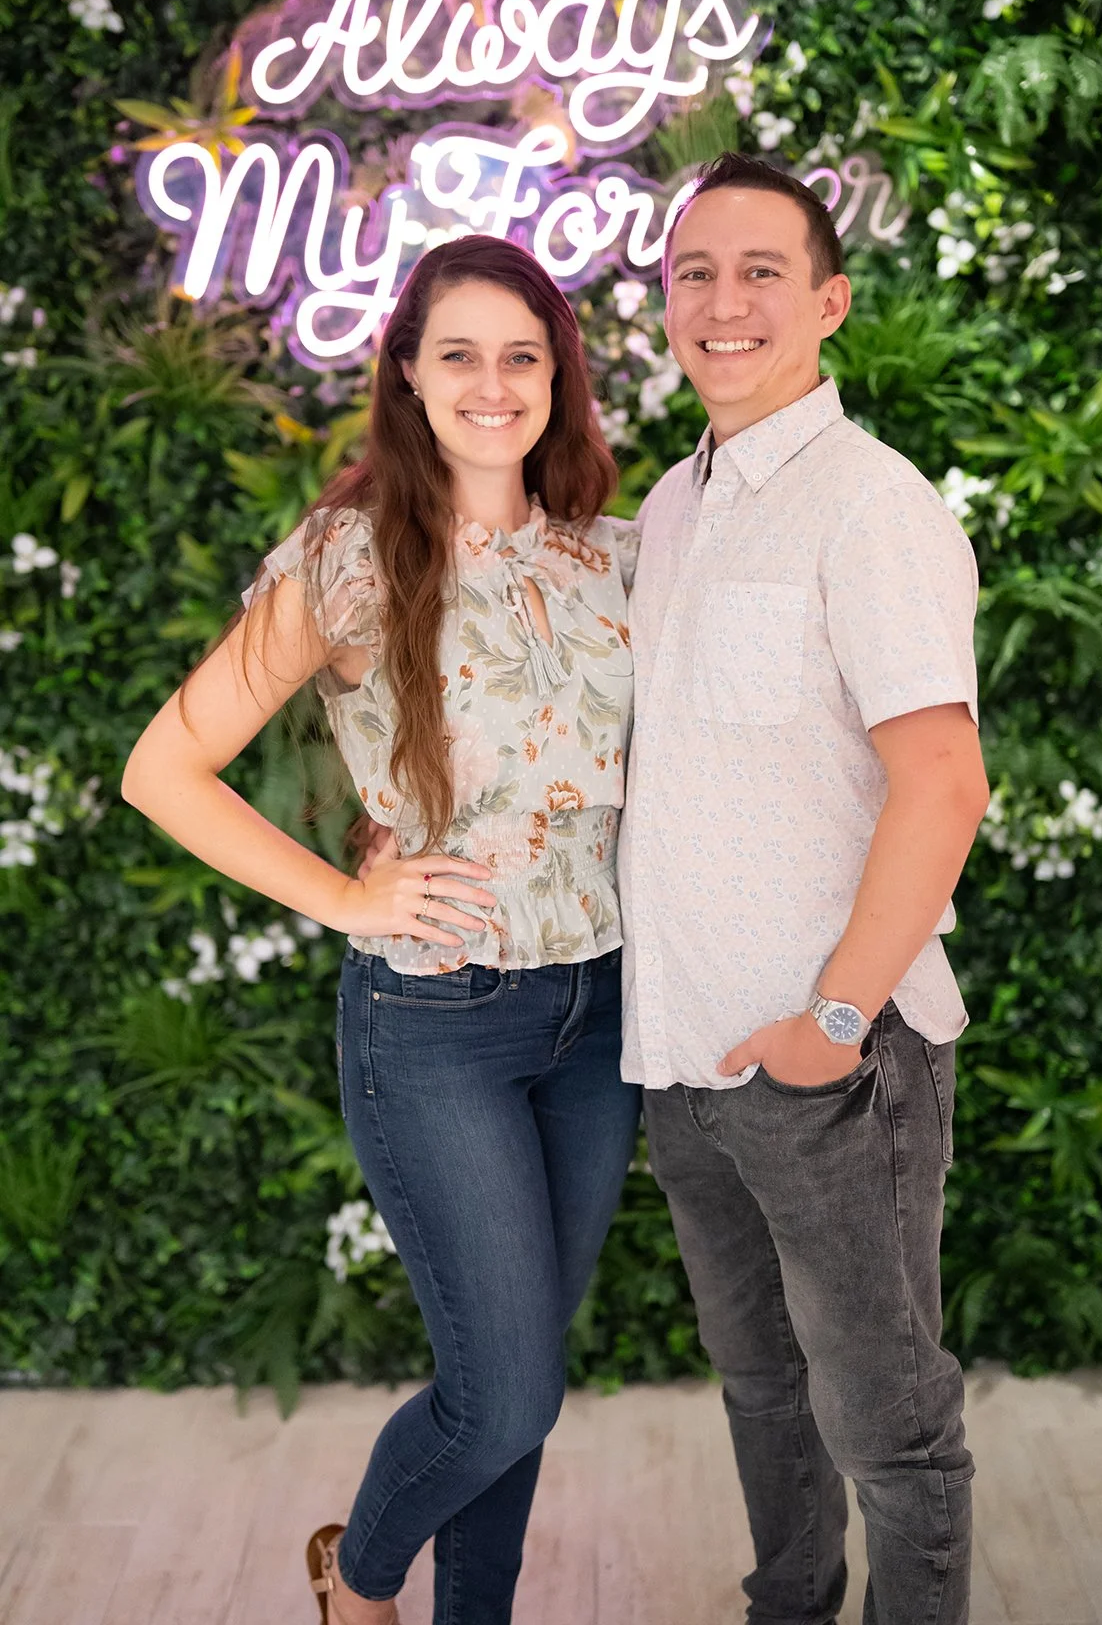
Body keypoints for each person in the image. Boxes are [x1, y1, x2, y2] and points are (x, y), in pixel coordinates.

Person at [121, 235, 641, 1625]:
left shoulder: (614, 556)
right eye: (457, 352)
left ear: (558, 378)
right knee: (508, 1387)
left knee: (515, 1389)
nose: (492, 382)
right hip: (438, 1021)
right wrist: (349, 894)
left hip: (601, 1019)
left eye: (522, 354)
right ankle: (357, 1583)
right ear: (407, 372)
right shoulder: (352, 556)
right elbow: (161, 770)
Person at [618, 151, 989, 1625]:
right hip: (688, 1056)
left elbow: (945, 786)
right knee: (760, 1386)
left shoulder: (870, 506)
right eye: (694, 273)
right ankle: (787, 1607)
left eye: (761, 271)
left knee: (888, 1421)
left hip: (835, 1060)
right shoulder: (669, 505)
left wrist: (831, 1022)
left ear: (828, 302)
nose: (724, 301)